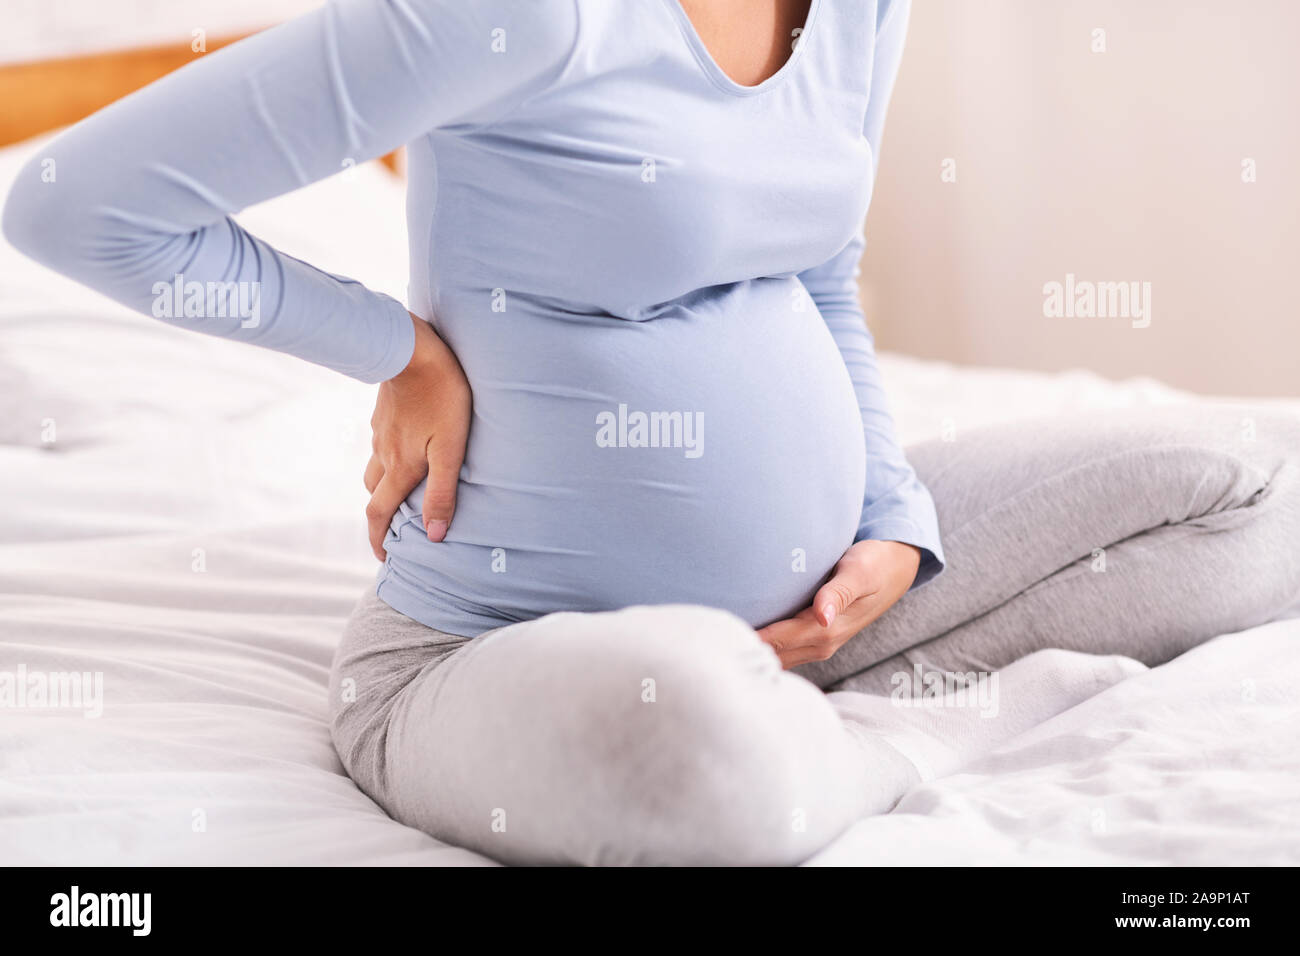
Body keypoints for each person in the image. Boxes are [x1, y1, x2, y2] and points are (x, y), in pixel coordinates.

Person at [6, 0, 1299, 866]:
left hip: (826, 616)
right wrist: (397, 350)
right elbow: (73, 202)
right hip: (494, 655)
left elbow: (821, 270)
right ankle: (903, 733)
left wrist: (896, 518)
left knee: (1252, 494)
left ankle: (801, 699)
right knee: (695, 755)